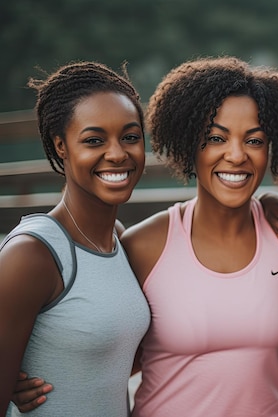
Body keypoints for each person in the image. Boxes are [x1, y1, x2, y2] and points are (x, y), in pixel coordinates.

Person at [119, 56, 278, 417]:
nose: (236, 155)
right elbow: (100, 351)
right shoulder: (144, 247)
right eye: (216, 138)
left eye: (254, 140)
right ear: (188, 144)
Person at [0, 61, 151, 416]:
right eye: (94, 140)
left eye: (130, 137)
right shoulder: (32, 254)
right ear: (61, 146)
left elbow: (105, 361)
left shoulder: (117, 238)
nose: (117, 153)